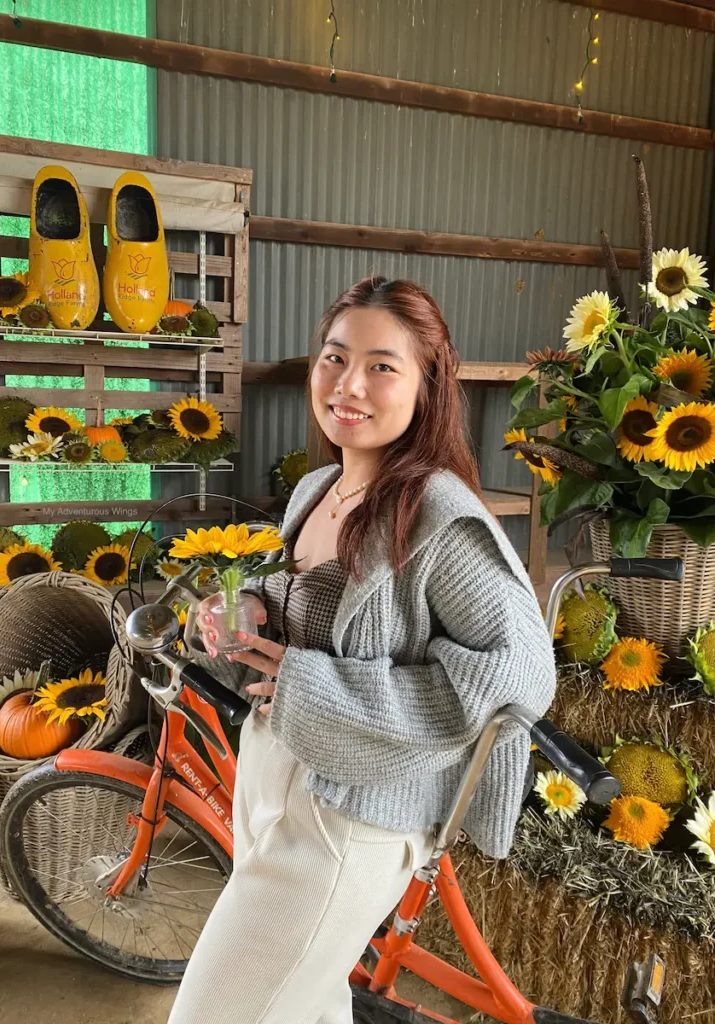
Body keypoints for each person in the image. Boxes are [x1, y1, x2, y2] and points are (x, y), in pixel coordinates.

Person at [168, 277, 557, 1024]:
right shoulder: (318, 488)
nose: (349, 384)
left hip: (352, 822)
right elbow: (315, 609)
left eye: (383, 366)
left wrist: (320, 687)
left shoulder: (439, 515)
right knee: (306, 1008)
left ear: (427, 386)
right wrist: (254, 607)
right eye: (334, 357)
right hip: (273, 778)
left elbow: (520, 674)